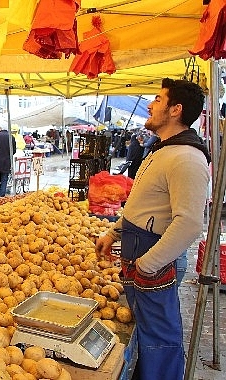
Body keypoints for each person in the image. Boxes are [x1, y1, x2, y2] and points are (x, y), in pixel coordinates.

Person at [95, 78, 209, 380]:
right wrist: (114, 232)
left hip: (155, 256)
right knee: (144, 333)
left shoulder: (187, 158)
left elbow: (189, 223)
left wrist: (149, 263)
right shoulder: (164, 150)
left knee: (160, 338)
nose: (149, 104)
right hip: (139, 251)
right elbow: (141, 206)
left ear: (176, 110)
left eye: (158, 99)